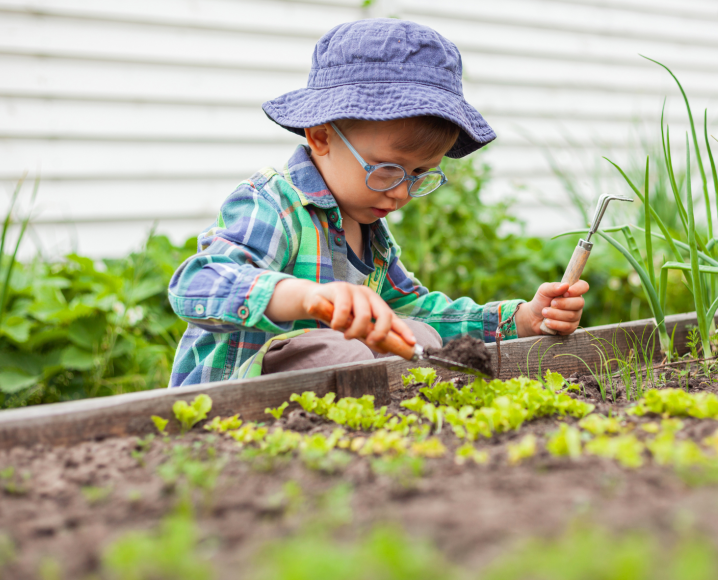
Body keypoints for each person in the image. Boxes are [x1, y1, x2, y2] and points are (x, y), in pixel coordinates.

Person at [166, 18, 589, 387]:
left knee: (419, 337)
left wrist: (518, 320)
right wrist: (305, 296)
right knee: (342, 353)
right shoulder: (273, 205)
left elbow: (415, 310)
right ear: (321, 136)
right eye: (386, 169)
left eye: (420, 175)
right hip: (230, 400)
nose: (401, 192)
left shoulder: (372, 232)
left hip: (329, 387)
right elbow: (195, 284)